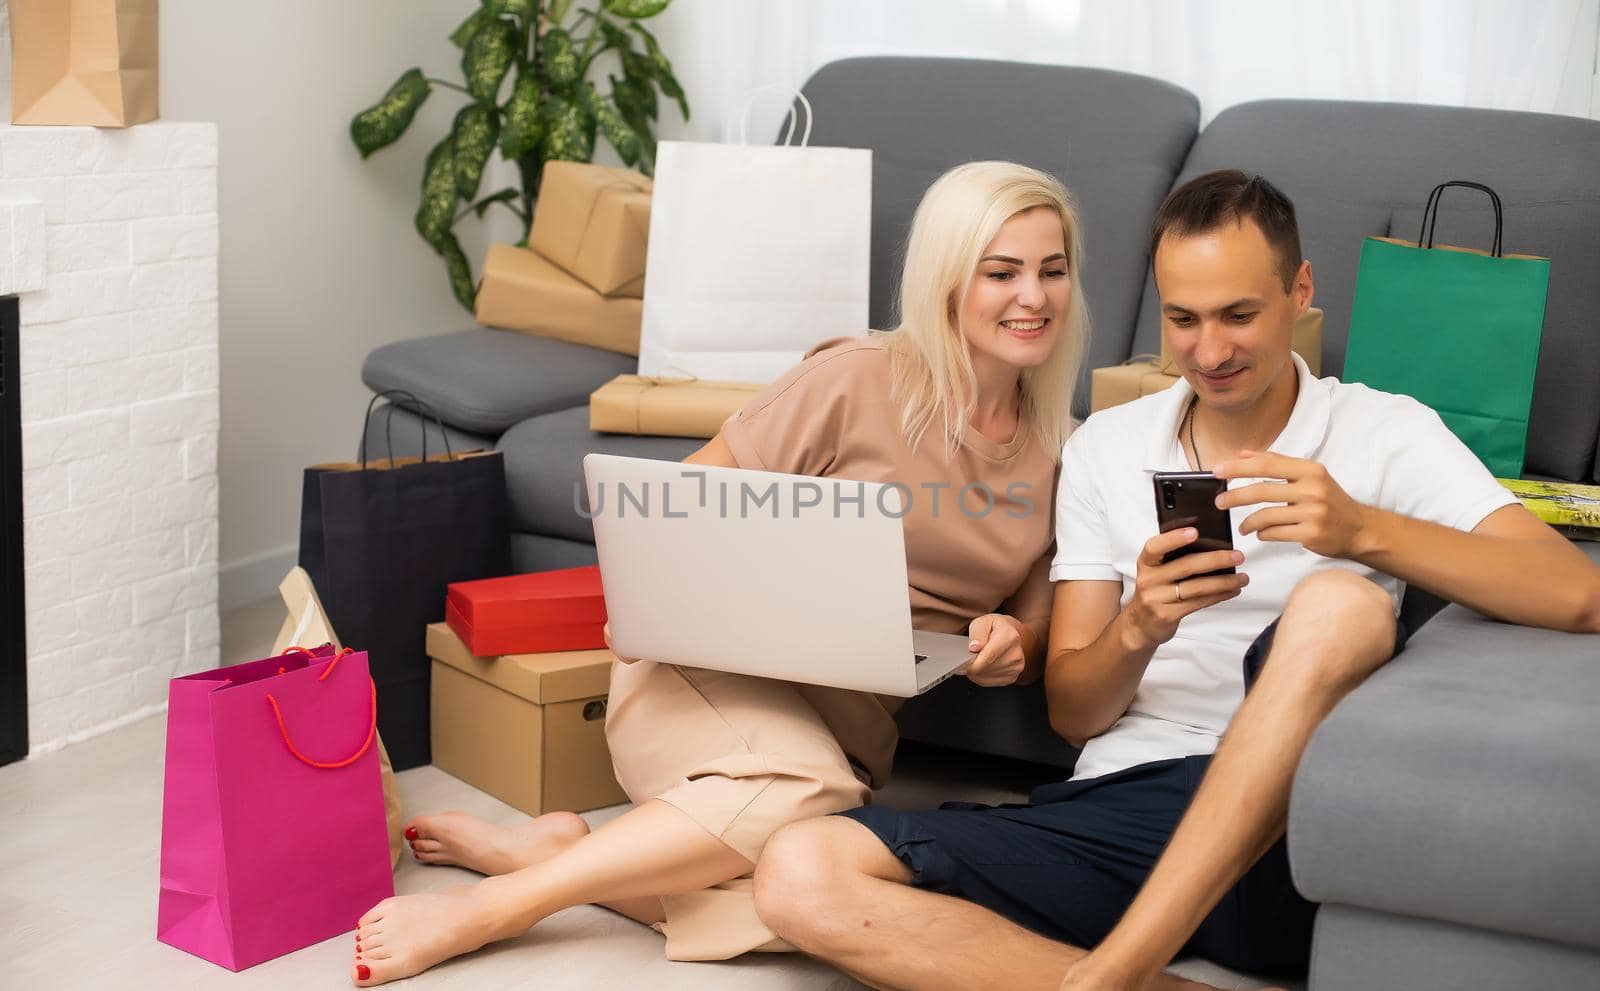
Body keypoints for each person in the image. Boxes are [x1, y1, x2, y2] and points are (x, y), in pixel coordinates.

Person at [750, 169, 1600, 991]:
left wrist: (1362, 530)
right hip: (1125, 808)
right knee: (802, 870)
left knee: (1340, 603)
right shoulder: (1105, 449)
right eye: (1184, 320)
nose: (1211, 350)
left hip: (1287, 819)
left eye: (1239, 314)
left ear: (1300, 289)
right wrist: (1139, 625)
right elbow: (1074, 713)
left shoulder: (1384, 431)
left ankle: (1113, 970)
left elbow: (1576, 592)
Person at [347, 160, 1093, 986]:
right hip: (702, 680)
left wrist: (1011, 639)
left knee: (821, 893)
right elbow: (671, 511)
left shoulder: (1064, 448)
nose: (1034, 296)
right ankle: (497, 908)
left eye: (1051, 270)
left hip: (848, 733)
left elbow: (1035, 614)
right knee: (813, 807)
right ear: (949, 281)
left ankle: (573, 853)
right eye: (1003, 272)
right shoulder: (857, 379)